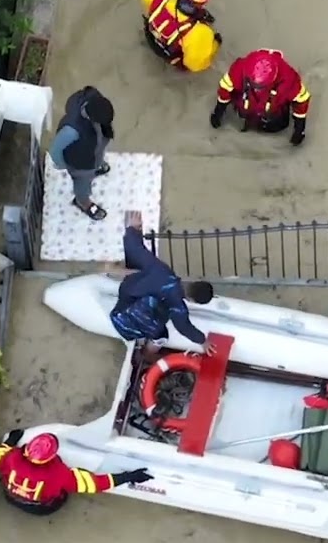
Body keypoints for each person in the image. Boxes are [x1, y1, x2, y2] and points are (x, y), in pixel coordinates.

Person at [110, 210, 217, 352]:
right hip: (125, 320)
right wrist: (203, 341)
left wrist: (133, 230)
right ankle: (146, 354)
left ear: (193, 280)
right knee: (162, 335)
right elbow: (184, 327)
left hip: (126, 294)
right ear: (191, 300)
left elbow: (136, 250)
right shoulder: (177, 306)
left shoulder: (162, 270)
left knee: (151, 292)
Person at [0, 429, 153, 516]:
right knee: (72, 483)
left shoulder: (11, 458)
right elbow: (94, 484)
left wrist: (10, 440)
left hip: (10, 497)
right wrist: (129, 476)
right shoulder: (57, 474)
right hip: (41, 508)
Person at [209, 49, 310, 146]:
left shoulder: (289, 78)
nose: (257, 89)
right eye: (254, 85)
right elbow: (225, 88)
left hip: (274, 114)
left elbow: (302, 99)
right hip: (246, 108)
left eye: (261, 87)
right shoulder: (239, 69)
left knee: (277, 126)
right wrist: (218, 111)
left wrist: (299, 129)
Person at [50, 86, 114, 221]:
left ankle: (98, 165)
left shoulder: (92, 98)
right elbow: (55, 150)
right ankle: (83, 202)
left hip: (93, 151)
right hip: (81, 164)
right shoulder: (71, 131)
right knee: (82, 185)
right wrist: (64, 165)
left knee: (97, 153)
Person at [140, 0, 222, 73]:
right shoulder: (200, 32)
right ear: (204, 3)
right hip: (171, 58)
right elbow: (194, 66)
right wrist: (215, 44)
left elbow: (145, 0)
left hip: (150, 36)